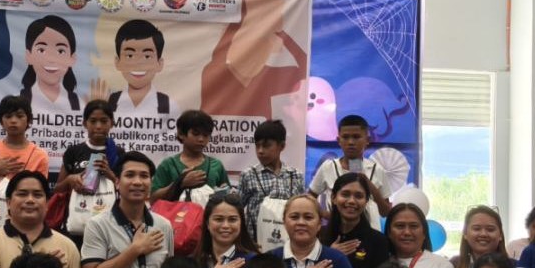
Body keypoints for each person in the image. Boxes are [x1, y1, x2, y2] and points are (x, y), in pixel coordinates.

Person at [320, 173, 391, 268]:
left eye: (359, 196)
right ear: (334, 197)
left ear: (366, 201)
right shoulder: (319, 237)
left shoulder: (378, 241)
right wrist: (330, 255)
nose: (351, 201)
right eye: (345, 194)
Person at [0, 95, 49, 225]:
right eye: (8, 116)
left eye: (19, 116)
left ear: (29, 120)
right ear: (1, 121)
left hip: (27, 222)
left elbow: (41, 195)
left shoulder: (40, 155)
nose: (13, 121)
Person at [307, 115, 392, 231]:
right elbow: (309, 198)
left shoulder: (377, 170)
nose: (351, 142)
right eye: (345, 137)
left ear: (367, 140)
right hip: (336, 233)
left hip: (369, 235)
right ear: (339, 140)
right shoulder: (329, 167)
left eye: (356, 137)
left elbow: (386, 212)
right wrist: (326, 215)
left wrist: (369, 185)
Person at [54, 99, 121, 242]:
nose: (98, 126)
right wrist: (70, 180)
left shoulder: (119, 153)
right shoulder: (74, 151)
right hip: (77, 225)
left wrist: (110, 174)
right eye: (93, 121)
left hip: (109, 227)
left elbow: (126, 189)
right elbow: (57, 189)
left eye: (104, 121)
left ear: (112, 123)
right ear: (85, 123)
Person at [236, 120, 305, 251]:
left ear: (282, 146)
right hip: (256, 245)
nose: (260, 151)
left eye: (266, 146)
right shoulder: (249, 174)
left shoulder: (295, 175)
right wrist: (244, 241)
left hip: (288, 245)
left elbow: (301, 209)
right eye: (257, 146)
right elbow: (237, 210)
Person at [150, 110, 230, 205]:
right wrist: (179, 183)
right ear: (181, 134)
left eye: (205, 135)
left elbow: (227, 199)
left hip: (208, 214)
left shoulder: (216, 165)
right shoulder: (168, 164)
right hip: (175, 214)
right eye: (195, 134)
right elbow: (153, 200)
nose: (201, 139)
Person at [109, 19, 176, 116]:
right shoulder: (110, 102)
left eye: (147, 56)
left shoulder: (169, 105)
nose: (138, 63)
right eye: (130, 56)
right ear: (117, 62)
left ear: (159, 64)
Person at [19, 15, 84, 113]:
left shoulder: (80, 104)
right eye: (41, 50)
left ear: (72, 58)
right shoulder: (18, 102)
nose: (51, 59)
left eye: (60, 51)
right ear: (29, 56)